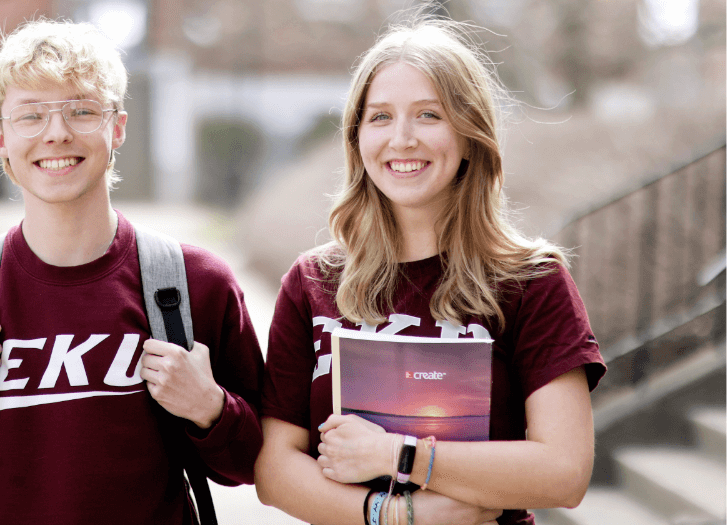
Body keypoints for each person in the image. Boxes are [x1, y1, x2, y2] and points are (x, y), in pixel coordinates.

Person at [0, 19, 264, 525]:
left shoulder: (194, 283)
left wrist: (211, 407)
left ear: (117, 126)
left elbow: (251, 465)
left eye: (82, 110)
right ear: (0, 137)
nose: (57, 134)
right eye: (31, 115)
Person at [254, 16, 607, 525]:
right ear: (356, 138)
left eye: (428, 115)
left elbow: (564, 471)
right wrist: (398, 515)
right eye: (379, 117)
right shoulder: (313, 283)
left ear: (470, 133)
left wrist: (398, 455)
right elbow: (274, 469)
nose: (401, 139)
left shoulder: (533, 282)